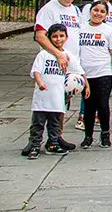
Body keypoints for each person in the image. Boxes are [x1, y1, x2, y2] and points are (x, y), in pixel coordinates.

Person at [23, 24, 87, 159]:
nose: (58, 39)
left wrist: (86, 86)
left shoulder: (67, 55)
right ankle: (35, 145)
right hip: (42, 96)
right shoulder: (43, 54)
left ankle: (52, 144)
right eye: (55, 36)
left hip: (57, 97)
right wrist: (40, 83)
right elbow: (36, 71)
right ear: (49, 38)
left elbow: (79, 71)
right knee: (38, 123)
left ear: (66, 37)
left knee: (54, 123)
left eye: (61, 36)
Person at [78, 0, 112, 148]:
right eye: (96, 10)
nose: (98, 14)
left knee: (102, 104)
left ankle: (105, 134)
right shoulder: (81, 29)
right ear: (90, 11)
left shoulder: (109, 31)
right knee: (88, 106)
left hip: (103, 72)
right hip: (85, 74)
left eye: (102, 11)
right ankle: (88, 136)